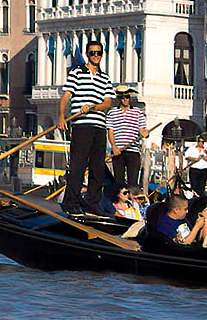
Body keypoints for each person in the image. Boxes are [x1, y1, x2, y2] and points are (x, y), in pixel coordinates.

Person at [58, 41, 115, 215]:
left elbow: (108, 102)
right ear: (87, 54)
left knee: (97, 167)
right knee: (78, 165)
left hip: (99, 126)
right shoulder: (77, 72)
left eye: (98, 53)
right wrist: (61, 116)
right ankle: (71, 201)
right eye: (92, 53)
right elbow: (66, 96)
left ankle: (93, 204)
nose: (95, 56)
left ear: (102, 55)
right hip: (81, 126)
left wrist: (93, 107)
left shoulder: (105, 78)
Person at [106, 85, 147, 190]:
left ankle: (132, 198)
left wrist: (144, 133)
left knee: (133, 183)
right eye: (122, 97)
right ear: (119, 98)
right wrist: (114, 147)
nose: (125, 99)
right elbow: (110, 131)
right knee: (118, 182)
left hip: (133, 151)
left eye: (127, 97)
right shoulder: (112, 112)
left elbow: (142, 129)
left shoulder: (138, 112)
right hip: (118, 151)